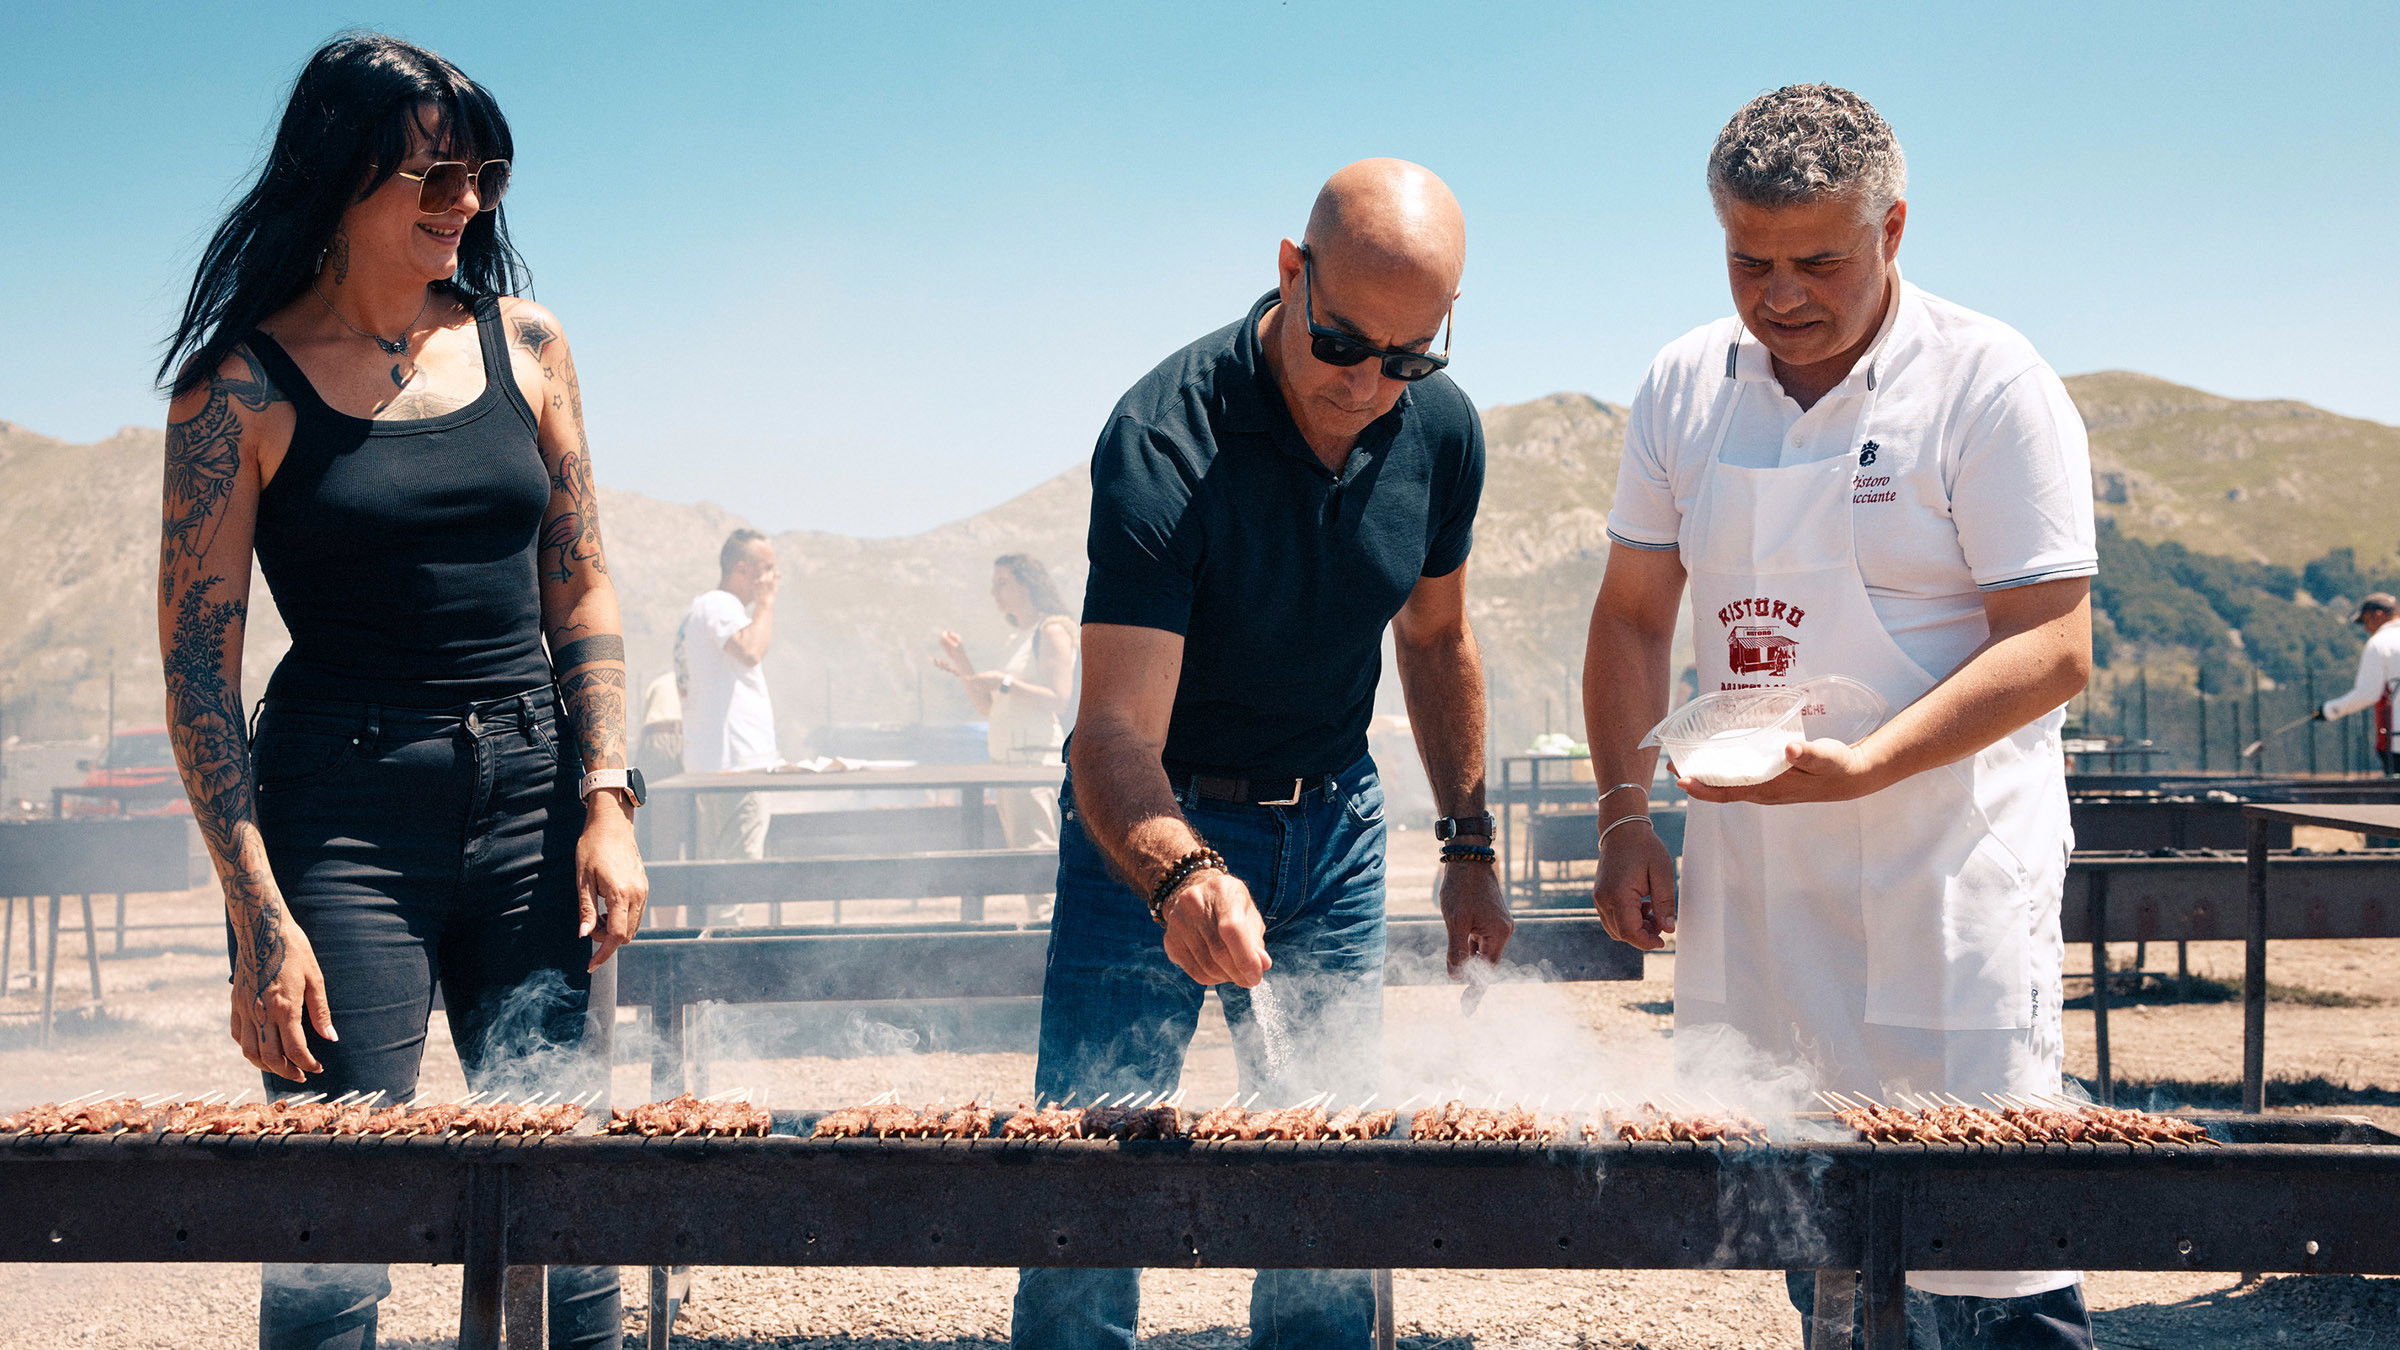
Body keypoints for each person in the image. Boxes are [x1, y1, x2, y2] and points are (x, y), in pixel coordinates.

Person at [1582, 87, 2097, 1348]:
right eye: (1748, 259)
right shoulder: (1685, 385)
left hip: (1946, 869)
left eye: (1818, 259)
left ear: (1894, 229)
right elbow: (1637, 616)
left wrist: (1869, 766)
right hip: (1760, 878)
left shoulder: (1990, 382)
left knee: (1987, 1245)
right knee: (1809, 1220)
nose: (1781, 294)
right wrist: (1622, 818)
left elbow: (2053, 642)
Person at [155, 34, 643, 1350]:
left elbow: (581, 591)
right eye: (433, 174)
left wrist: (609, 797)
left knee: (571, 1209)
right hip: (343, 815)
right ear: (339, 173)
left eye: (481, 173)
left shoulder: (529, 344)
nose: (465, 204)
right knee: (332, 1220)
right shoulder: (234, 389)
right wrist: (255, 914)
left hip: (538, 795)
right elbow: (198, 673)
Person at [1013, 159, 1514, 1350]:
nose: (1370, 385)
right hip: (1151, 825)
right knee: (1091, 1177)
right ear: (1291, 275)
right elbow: (1114, 732)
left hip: (1334, 829)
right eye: (1344, 345)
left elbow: (1437, 639)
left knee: (1326, 1183)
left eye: (1410, 358)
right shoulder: (1164, 436)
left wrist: (1470, 839)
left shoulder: (1440, 432)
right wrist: (1183, 875)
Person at [935, 553, 1080, 919]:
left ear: (1027, 585)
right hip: (1009, 766)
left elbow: (1057, 697)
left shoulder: (1052, 630)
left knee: (1040, 866)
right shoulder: (1017, 637)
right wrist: (963, 662)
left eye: (1002, 583)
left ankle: (1044, 944)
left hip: (1032, 764)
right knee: (1028, 867)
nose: (994, 592)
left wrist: (1005, 681)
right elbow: (990, 707)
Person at [675, 529, 782, 898]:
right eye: (767, 568)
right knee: (737, 879)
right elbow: (750, 650)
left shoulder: (702, 610)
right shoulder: (720, 605)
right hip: (736, 765)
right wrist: (766, 604)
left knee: (720, 879)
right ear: (743, 569)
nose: (774, 577)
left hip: (719, 763)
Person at [2314, 592, 2400, 774]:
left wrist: (2329, 710)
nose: (2366, 628)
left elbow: (2368, 693)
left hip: (2395, 740)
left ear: (2378, 614)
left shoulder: (2379, 644)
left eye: (2366, 620)